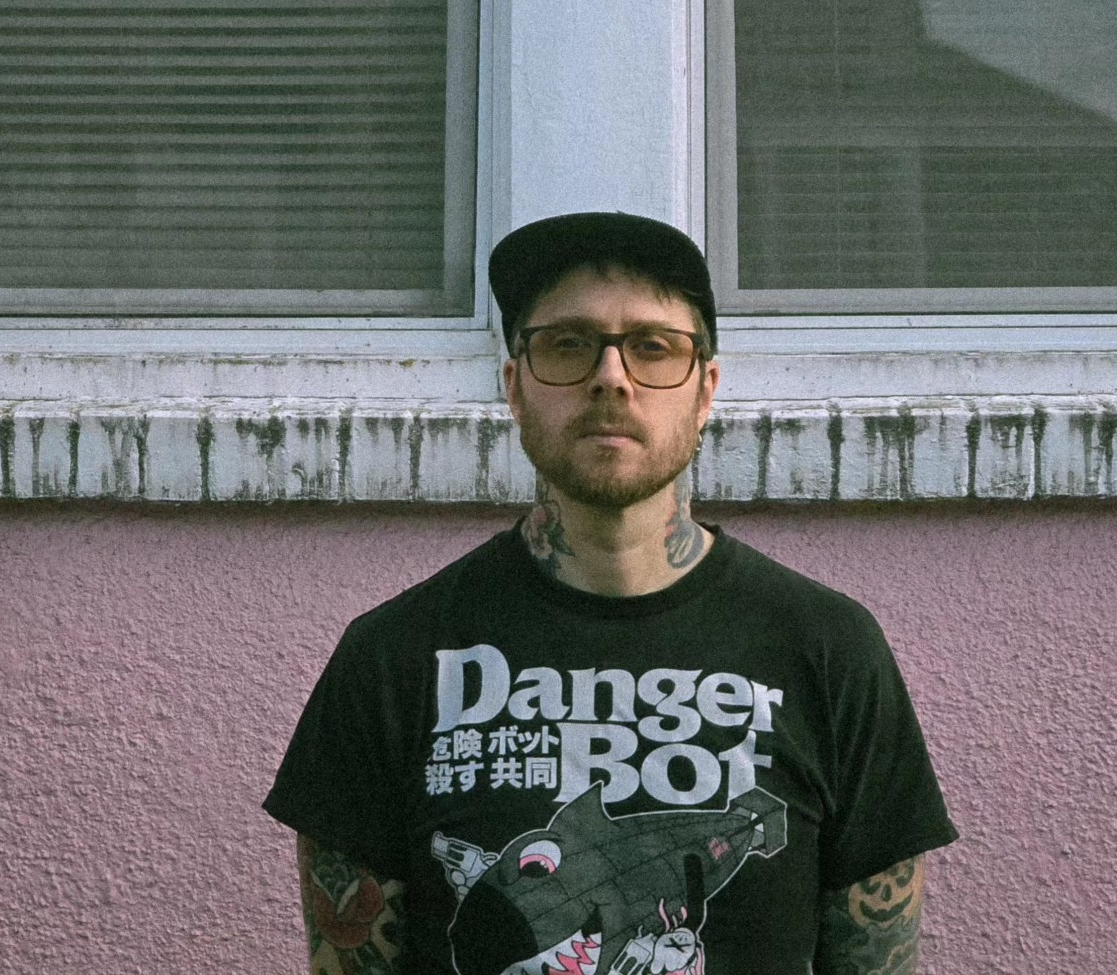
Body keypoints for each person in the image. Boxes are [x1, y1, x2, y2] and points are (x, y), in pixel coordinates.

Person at [264, 211, 957, 975]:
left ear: (705, 391)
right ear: (514, 388)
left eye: (654, 348)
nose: (610, 377)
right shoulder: (391, 659)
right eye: (568, 344)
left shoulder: (829, 651)